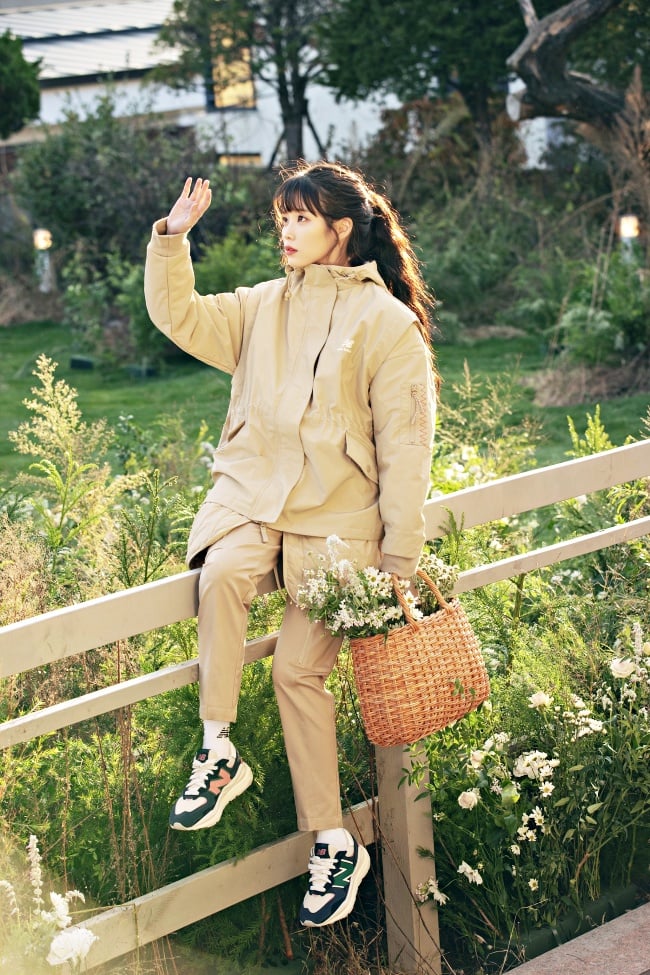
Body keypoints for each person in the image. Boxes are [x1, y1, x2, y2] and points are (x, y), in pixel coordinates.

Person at [144, 161, 437, 927]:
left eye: (301, 218)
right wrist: (172, 240)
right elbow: (181, 317)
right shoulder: (262, 306)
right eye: (283, 217)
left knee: (297, 674)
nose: (287, 230)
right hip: (254, 504)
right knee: (221, 576)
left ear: (340, 229)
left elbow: (408, 450)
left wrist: (398, 562)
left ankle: (333, 841)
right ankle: (217, 748)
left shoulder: (386, 325)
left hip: (338, 532)